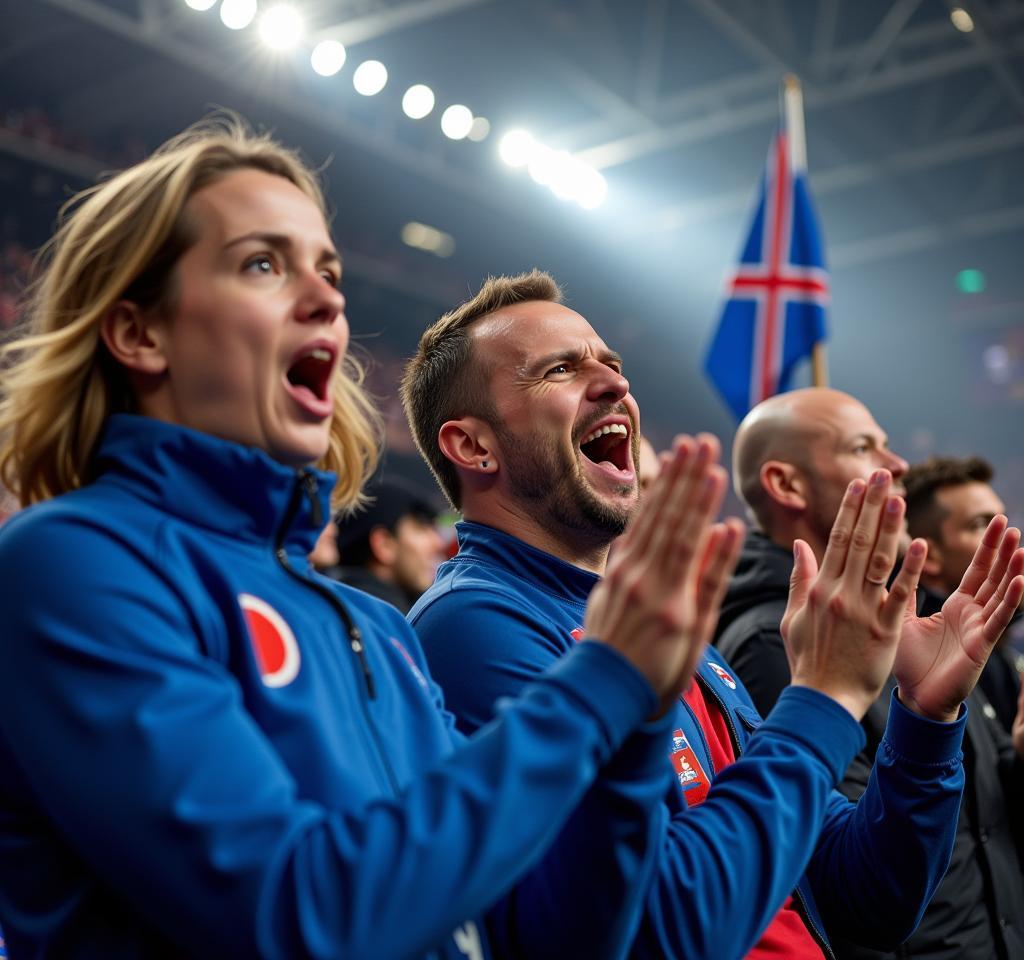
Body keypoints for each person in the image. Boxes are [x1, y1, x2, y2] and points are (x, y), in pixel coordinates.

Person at [0, 120, 744, 959]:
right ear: (139, 333)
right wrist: (601, 685)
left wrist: (636, 721)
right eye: (261, 264)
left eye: (327, 269)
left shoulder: (373, 625)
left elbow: (544, 936)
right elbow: (294, 916)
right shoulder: (70, 563)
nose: (326, 299)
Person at [402, 271, 1023, 960]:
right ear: (473, 447)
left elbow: (870, 900)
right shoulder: (473, 627)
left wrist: (925, 722)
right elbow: (654, 932)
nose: (616, 386)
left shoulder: (663, 626)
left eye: (612, 364)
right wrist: (821, 698)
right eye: (560, 370)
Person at [718, 390, 1024, 960]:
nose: (900, 464)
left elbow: (981, 818)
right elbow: (849, 879)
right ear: (788, 486)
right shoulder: (771, 640)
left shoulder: (917, 621)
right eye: (864, 447)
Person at [904, 454, 1023, 732]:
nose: (1009, 538)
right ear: (929, 556)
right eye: (981, 525)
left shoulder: (997, 651)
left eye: (1003, 522)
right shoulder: (919, 668)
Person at [317, 475, 447, 613]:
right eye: (421, 529)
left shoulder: (338, 603)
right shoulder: (383, 619)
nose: (439, 543)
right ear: (384, 545)